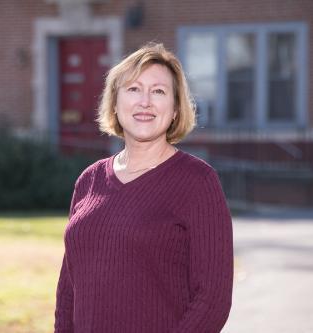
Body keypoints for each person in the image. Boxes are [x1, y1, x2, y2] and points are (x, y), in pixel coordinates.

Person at [54, 42, 233, 333]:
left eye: (159, 91)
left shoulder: (197, 182)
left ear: (175, 109)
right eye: (134, 89)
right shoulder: (89, 180)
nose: (145, 102)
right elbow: (68, 288)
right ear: (114, 102)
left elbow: (212, 299)